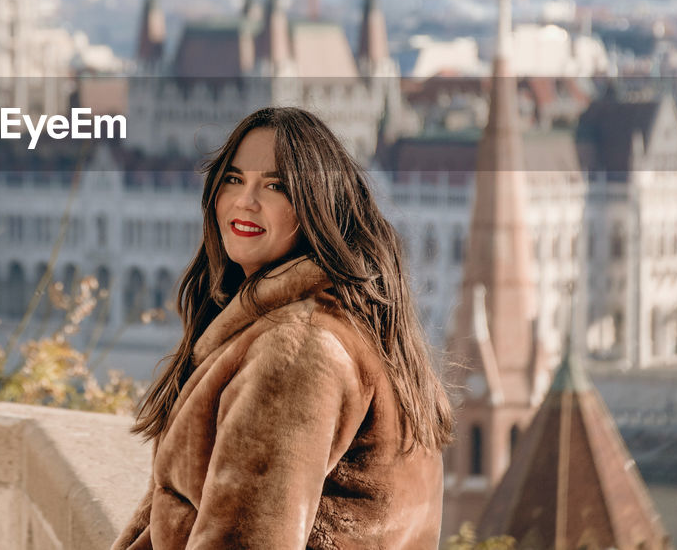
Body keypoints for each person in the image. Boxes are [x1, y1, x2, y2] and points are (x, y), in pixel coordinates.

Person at [112, 106, 453, 550]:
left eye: (274, 186)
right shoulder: (337, 322)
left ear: (316, 206)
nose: (245, 201)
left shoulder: (296, 349)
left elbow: (246, 540)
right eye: (234, 179)